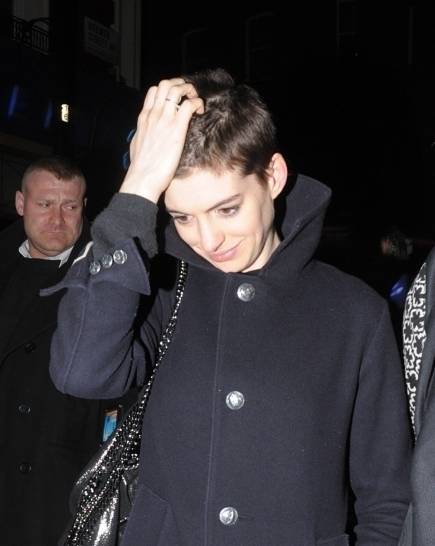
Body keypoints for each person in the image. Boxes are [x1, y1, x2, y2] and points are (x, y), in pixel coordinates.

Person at [48, 69, 411, 545]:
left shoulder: (356, 313)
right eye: (182, 217)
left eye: (227, 209)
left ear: (273, 176)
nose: (208, 239)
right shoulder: (161, 290)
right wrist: (137, 189)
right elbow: (81, 373)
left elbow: (388, 502)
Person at [0, 156, 132, 546]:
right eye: (45, 204)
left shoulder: (109, 276)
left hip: (59, 483)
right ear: (21, 203)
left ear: (84, 207)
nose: (57, 219)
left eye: (70, 206)